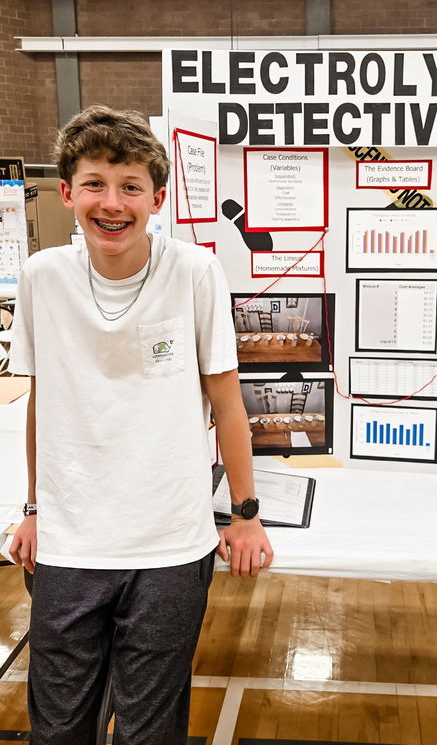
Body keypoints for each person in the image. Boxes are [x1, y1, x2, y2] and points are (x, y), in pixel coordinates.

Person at [8, 104, 273, 744]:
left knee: (149, 732)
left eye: (130, 187)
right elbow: (43, 402)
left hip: (169, 548)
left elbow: (227, 402)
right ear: (67, 192)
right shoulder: (43, 277)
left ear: (156, 198)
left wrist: (246, 512)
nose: (112, 203)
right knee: (59, 728)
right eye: (96, 183)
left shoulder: (194, 272)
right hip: (71, 545)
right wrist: (35, 507)